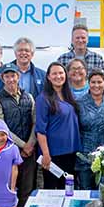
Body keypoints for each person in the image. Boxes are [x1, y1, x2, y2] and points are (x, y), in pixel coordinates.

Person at [0, 63, 37, 207]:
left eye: (13, 75)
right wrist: (23, 145)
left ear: (18, 77)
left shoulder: (29, 97)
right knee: (9, 188)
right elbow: (1, 128)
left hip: (29, 151)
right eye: (7, 76)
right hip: (8, 153)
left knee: (27, 189)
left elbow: (35, 122)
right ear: (2, 78)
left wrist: (30, 144)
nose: (11, 79)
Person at [36, 62, 82, 190]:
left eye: (61, 73)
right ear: (48, 77)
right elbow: (40, 130)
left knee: (68, 189)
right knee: (51, 190)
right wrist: (46, 154)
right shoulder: (43, 99)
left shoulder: (69, 95)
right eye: (54, 73)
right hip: (53, 154)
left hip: (71, 152)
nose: (58, 76)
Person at [76, 70, 104, 190]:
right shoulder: (79, 102)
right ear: (88, 83)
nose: (96, 85)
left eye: (99, 82)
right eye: (93, 82)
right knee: (85, 189)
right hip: (85, 151)